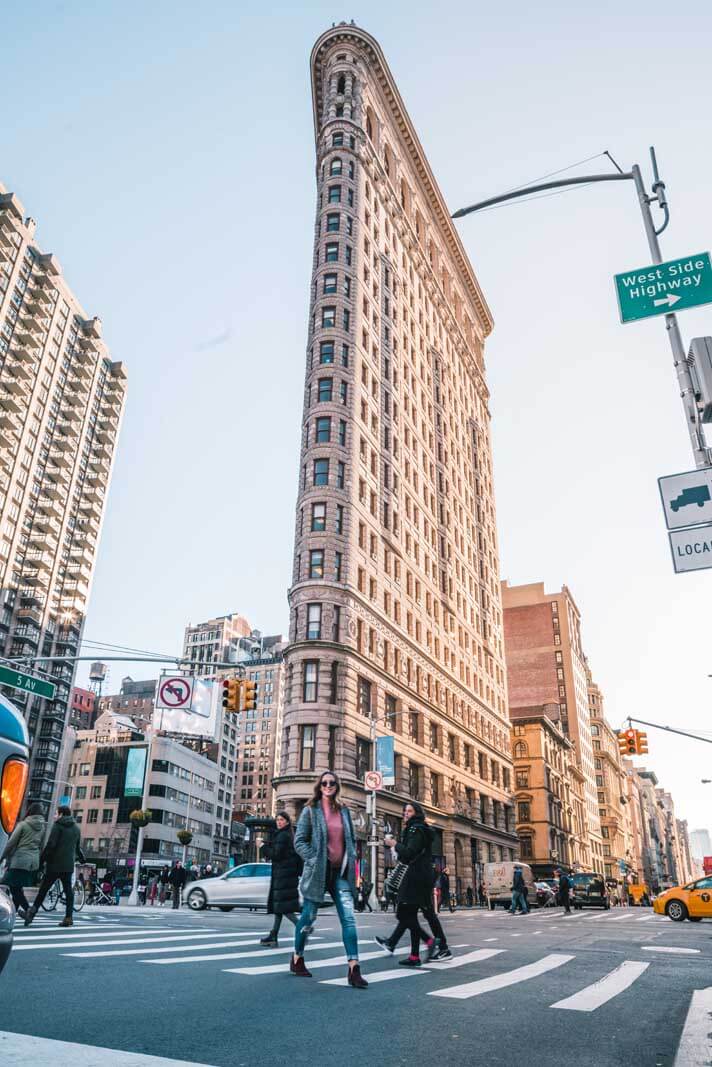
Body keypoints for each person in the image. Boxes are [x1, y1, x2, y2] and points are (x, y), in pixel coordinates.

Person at [292, 771, 367, 988]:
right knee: (308, 918)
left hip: (340, 874)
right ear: (319, 786)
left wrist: (353, 863)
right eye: (324, 783)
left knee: (349, 919)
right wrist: (314, 858)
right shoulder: (310, 811)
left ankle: (354, 967)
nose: (328, 786)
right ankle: (297, 958)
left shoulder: (344, 811)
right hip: (318, 873)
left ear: (337, 786)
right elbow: (299, 841)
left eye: (332, 783)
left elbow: (351, 840)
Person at [377, 801, 452, 965]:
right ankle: (415, 954)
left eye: (409, 811)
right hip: (422, 875)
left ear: (417, 813)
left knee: (404, 913)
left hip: (415, 876)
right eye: (404, 811)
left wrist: (394, 844)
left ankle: (431, 943)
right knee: (420, 914)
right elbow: (408, 854)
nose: (405, 813)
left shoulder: (416, 829)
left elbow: (409, 853)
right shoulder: (417, 829)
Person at [25, 805, 84, 927]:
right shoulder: (77, 829)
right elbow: (77, 848)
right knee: (68, 891)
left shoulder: (58, 826)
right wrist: (82, 858)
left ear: (62, 814)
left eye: (56, 813)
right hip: (68, 866)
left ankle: (31, 914)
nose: (54, 816)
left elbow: (51, 845)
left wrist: (41, 861)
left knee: (44, 889)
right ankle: (68, 917)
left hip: (55, 864)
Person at [260, 812, 301, 947]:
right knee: (279, 908)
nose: (279, 822)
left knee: (284, 908)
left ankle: (302, 927)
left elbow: (276, 855)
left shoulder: (283, 835)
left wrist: (262, 847)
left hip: (283, 877)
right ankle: (273, 935)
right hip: (286, 875)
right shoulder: (288, 835)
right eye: (277, 820)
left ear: (287, 822)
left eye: (282, 820)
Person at [0, 802, 45, 919]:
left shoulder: (23, 825)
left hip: (20, 859)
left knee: (11, 885)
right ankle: (14, 912)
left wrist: (2, 856)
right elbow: (42, 845)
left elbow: (11, 843)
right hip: (32, 862)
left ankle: (28, 910)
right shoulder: (42, 827)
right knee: (17, 887)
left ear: (29, 811)